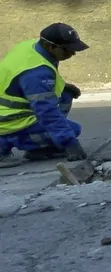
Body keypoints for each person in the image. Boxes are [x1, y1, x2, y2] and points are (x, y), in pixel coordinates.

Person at [0, 23, 89, 167]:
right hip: (8, 121)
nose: (72, 54)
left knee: (65, 94)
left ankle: (38, 148)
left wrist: (63, 87)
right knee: (73, 130)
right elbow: (46, 111)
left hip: (8, 114)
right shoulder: (36, 72)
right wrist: (68, 142)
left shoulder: (31, 47)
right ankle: (5, 142)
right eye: (67, 50)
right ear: (50, 46)